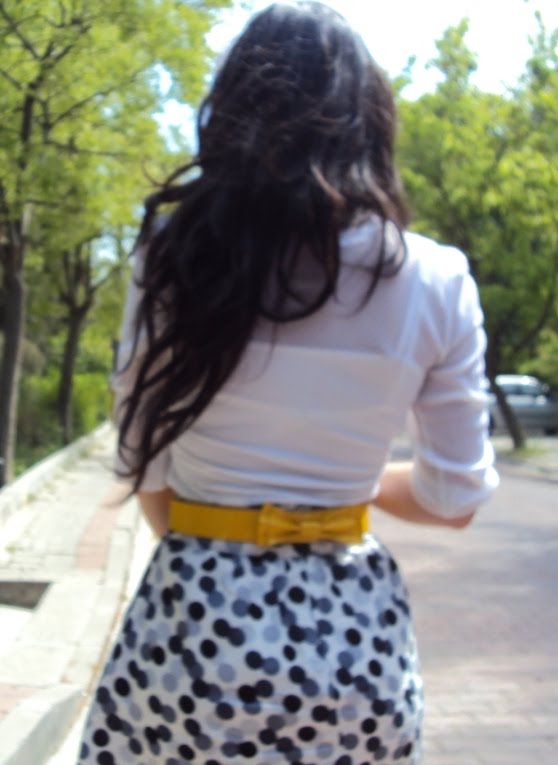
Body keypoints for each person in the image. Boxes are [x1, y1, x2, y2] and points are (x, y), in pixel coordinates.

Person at [77, 3, 498, 764]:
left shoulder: (173, 253)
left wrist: (236, 525)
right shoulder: (437, 279)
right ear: (370, 124)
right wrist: (344, 494)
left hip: (196, 627)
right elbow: (455, 498)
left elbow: (144, 461)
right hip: (355, 647)